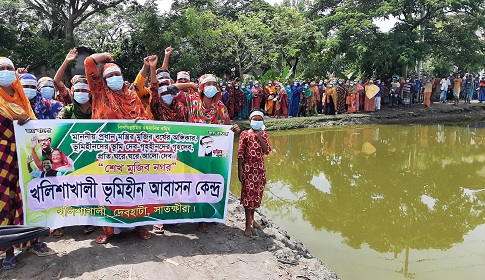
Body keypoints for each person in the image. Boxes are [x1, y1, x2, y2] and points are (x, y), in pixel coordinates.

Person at [85, 52, 150, 244]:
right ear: (102, 80)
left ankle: (139, 224)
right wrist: (105, 56)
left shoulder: (132, 96)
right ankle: (108, 229)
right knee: (108, 189)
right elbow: (89, 62)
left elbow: (146, 120)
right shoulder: (99, 93)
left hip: (132, 152)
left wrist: (141, 121)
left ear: (122, 76)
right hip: (107, 152)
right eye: (109, 76)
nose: (113, 79)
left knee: (137, 188)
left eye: (117, 75)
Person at [0, 57, 54, 270]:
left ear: (15, 72)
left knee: (30, 195)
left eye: (9, 68)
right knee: (6, 200)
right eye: (1, 68)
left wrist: (27, 122)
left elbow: (34, 125)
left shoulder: (21, 96)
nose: (5, 71)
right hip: (3, 158)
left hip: (25, 154)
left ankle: (32, 239)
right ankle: (8, 250)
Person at [182, 73, 240, 232]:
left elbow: (227, 127)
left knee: (212, 181)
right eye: (208, 85)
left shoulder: (221, 107)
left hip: (214, 153)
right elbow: (171, 89)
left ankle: (211, 214)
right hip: (195, 152)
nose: (211, 88)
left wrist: (234, 129)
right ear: (201, 88)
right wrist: (191, 85)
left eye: (214, 85)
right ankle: (200, 218)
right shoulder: (192, 103)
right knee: (197, 182)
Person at [237, 108, 270, 237]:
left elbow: (267, 150)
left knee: (256, 196)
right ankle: (247, 225)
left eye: (259, 120)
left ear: (262, 121)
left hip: (260, 171)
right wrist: (240, 170)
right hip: (248, 170)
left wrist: (260, 137)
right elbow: (240, 154)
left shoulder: (264, 134)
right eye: (254, 119)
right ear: (250, 120)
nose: (256, 121)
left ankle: (252, 219)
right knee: (248, 198)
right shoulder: (245, 134)